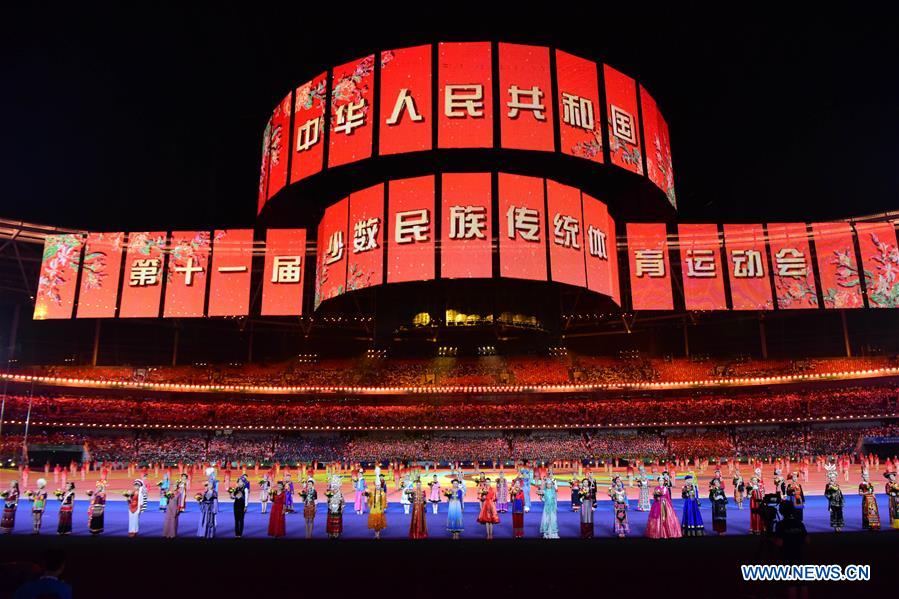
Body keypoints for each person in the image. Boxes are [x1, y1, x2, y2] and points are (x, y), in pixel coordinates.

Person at [536, 473, 559, 539]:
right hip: (546, 508)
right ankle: (546, 533)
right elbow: (538, 493)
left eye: (550, 484)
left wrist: (555, 507)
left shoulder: (553, 491)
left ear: (552, 485)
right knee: (546, 519)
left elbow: (555, 499)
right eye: (548, 484)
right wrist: (541, 495)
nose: (549, 485)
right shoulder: (544, 491)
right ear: (546, 485)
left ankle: (553, 533)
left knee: (553, 519)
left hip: (552, 507)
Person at [823, 462, 844, 532]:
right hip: (833, 503)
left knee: (840, 514)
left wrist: (842, 500)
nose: (833, 478)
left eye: (834, 477)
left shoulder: (837, 485)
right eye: (832, 477)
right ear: (830, 478)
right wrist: (830, 497)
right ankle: (835, 526)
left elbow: (840, 493)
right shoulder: (828, 485)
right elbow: (826, 494)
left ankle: (839, 525)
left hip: (839, 502)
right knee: (834, 514)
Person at [326, 475, 345, 539]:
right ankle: (331, 533)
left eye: (336, 487)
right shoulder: (330, 493)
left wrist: (342, 508)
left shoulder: (340, 494)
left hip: (338, 510)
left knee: (337, 522)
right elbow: (327, 502)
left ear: (338, 487)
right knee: (331, 522)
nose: (334, 488)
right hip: (331, 510)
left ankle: (336, 533)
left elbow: (343, 502)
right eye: (333, 487)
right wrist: (328, 499)